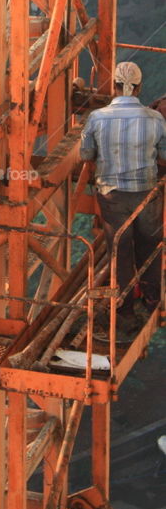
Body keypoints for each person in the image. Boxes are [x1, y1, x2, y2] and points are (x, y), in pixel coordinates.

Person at [79, 60, 166, 329]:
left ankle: (125, 311)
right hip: (147, 193)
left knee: (121, 251)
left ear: (115, 87)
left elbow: (85, 155)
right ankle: (154, 303)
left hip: (112, 195)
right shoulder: (156, 119)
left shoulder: (97, 118)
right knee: (150, 246)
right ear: (138, 87)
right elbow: (164, 156)